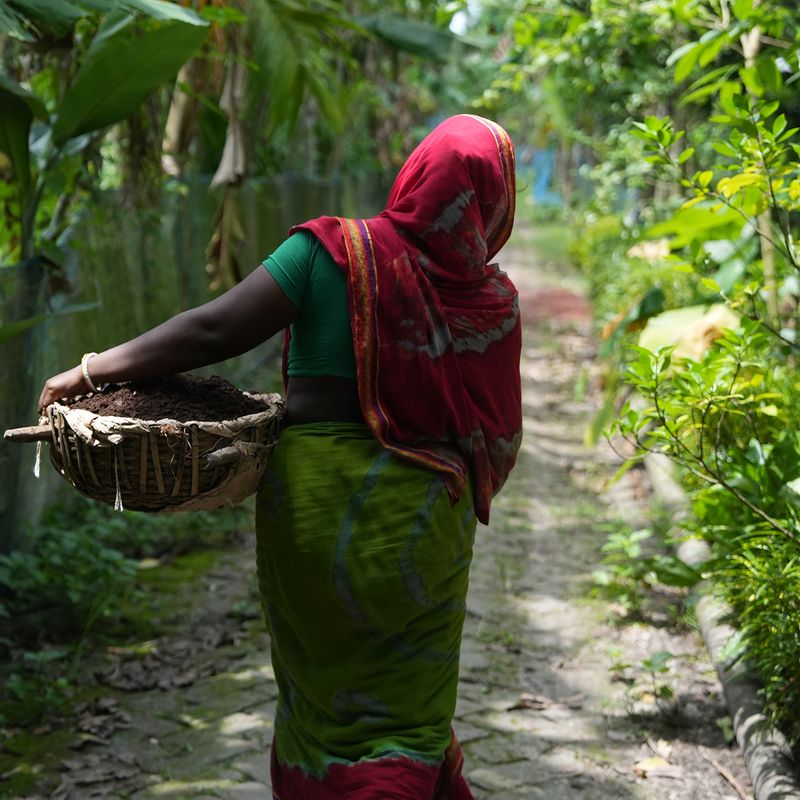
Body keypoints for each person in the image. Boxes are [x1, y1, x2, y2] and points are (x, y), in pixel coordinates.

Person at [38, 113, 522, 799]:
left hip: (313, 512)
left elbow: (213, 328)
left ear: (414, 174)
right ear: (492, 202)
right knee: (405, 704)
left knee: (319, 692)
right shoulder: (492, 304)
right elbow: (495, 438)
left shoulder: (332, 252)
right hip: (421, 525)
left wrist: (89, 372)